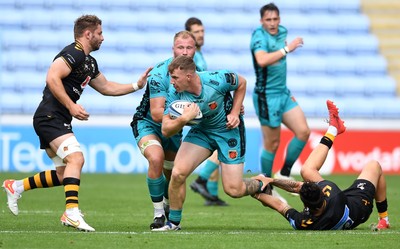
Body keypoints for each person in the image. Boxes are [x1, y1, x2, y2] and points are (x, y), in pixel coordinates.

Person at [1, 15, 151, 232]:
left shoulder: (89, 62)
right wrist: (71, 106)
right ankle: (71, 213)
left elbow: (107, 87)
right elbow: (52, 77)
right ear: (88, 34)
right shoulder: (74, 52)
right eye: (99, 33)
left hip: (55, 118)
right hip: (50, 116)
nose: (103, 37)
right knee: (76, 158)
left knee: (65, 174)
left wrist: (137, 84)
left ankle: (15, 186)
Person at [152, 55, 270, 231]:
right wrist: (184, 118)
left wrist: (235, 112)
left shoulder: (216, 79)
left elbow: (242, 83)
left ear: (189, 76)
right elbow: (166, 129)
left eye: (175, 77)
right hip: (202, 132)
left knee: (234, 190)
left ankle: (261, 182)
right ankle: (174, 223)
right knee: (177, 173)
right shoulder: (174, 93)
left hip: (228, 131)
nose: (172, 81)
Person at [252, 100, 390, 230]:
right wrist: (265, 185)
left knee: (306, 171)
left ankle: (334, 129)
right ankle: (384, 219)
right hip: (359, 206)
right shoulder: (332, 195)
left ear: (305, 204)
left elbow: (281, 205)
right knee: (374, 165)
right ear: (323, 194)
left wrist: (257, 189)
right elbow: (288, 197)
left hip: (343, 207)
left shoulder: (305, 221)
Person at [131, 31, 200, 230]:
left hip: (174, 128)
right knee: (156, 158)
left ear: (195, 50)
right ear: (173, 49)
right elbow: (155, 113)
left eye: (189, 48)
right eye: (181, 47)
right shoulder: (160, 73)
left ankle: (169, 208)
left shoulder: (198, 71)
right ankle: (158, 214)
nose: (185, 52)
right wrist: (188, 117)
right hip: (148, 124)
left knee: (173, 174)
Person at [250, 3, 310, 195]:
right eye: (268, 19)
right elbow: (261, 60)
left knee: (303, 131)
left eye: (275, 19)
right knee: (272, 144)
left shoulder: (282, 32)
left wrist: (286, 47)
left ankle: (284, 173)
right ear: (261, 21)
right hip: (266, 97)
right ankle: (265, 184)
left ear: (280, 19)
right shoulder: (259, 36)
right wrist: (287, 50)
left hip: (283, 93)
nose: (273, 23)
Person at [184, 17, 228, 206]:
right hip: (201, 109)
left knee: (217, 146)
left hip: (205, 107)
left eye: (202, 31)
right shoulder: (191, 58)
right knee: (222, 141)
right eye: (196, 32)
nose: (201, 35)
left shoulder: (200, 55)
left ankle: (211, 194)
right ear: (188, 35)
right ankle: (201, 180)